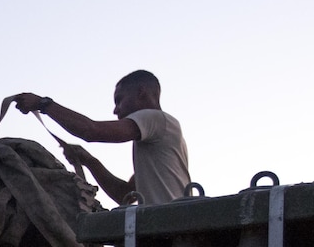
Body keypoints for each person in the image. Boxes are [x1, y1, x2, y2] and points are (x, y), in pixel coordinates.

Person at [13, 70, 190, 207]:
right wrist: (89, 161)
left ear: (142, 93)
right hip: (167, 234)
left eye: (119, 100)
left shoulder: (154, 118)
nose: (115, 110)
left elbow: (91, 131)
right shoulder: (159, 137)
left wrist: (43, 104)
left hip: (170, 235)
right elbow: (124, 195)